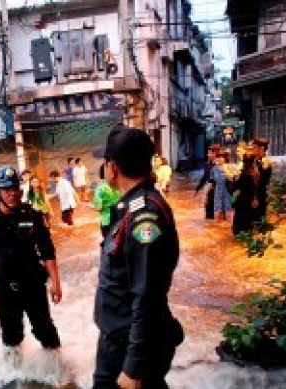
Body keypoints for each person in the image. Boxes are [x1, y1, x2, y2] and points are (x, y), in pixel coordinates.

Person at [92, 127, 184, 389]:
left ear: (112, 167)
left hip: (129, 347)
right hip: (121, 338)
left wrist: (133, 367)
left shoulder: (145, 217)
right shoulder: (132, 206)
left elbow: (147, 295)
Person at [0, 166, 62, 362]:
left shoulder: (33, 216)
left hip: (33, 286)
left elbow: (48, 252)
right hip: (4, 289)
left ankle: (57, 371)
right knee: (11, 335)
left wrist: (56, 283)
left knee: (44, 328)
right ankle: (15, 373)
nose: (13, 193)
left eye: (15, 188)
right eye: (7, 190)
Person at [231, 151, 261, 236]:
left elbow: (236, 186)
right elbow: (255, 188)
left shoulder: (244, 173)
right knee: (249, 222)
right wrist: (255, 198)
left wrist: (233, 180)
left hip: (243, 201)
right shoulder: (256, 173)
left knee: (240, 223)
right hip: (251, 200)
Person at [92, 164, 121, 238]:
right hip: (119, 219)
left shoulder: (99, 188)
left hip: (106, 221)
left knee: (108, 244)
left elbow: (99, 207)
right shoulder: (117, 185)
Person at [194, 144, 220, 220]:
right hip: (209, 191)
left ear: (215, 153)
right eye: (208, 153)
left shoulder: (220, 165)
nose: (207, 155)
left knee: (217, 214)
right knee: (208, 213)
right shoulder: (208, 165)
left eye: (209, 153)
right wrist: (197, 189)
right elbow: (204, 178)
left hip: (217, 192)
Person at [210, 151, 233, 222]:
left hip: (227, 192)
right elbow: (211, 182)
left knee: (228, 210)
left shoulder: (229, 167)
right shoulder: (214, 168)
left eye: (221, 157)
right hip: (217, 192)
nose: (220, 159)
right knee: (217, 211)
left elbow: (233, 180)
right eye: (218, 157)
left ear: (225, 158)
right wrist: (207, 195)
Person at [252, 138, 272, 222]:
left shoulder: (265, 162)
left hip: (260, 194)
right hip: (254, 194)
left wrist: (255, 197)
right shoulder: (255, 160)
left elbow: (261, 182)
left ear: (262, 149)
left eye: (254, 147)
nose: (253, 150)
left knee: (259, 221)